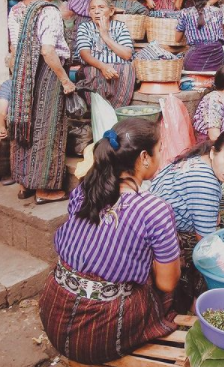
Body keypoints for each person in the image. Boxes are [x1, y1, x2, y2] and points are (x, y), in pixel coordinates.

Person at [39, 118, 181, 365]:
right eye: (160, 150)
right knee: (169, 292)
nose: (161, 155)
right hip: (99, 334)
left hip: (53, 313)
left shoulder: (85, 188)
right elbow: (167, 283)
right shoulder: (155, 209)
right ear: (145, 157)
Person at [149, 130, 224, 312]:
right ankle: (196, 306)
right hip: (163, 242)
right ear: (213, 153)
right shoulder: (205, 181)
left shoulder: (196, 160)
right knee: (208, 259)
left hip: (156, 227)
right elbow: (206, 245)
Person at [9, 0, 75, 204]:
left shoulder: (17, 11)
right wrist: (65, 80)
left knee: (25, 123)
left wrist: (21, 78)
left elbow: (15, 49)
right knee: (48, 127)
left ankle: (25, 182)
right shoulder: (49, 11)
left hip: (25, 74)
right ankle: (45, 190)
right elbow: (48, 50)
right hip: (48, 73)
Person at [76, 0, 135, 108]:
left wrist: (105, 36)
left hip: (118, 69)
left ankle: (116, 112)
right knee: (93, 71)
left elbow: (127, 55)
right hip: (96, 66)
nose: (96, 11)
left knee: (126, 68)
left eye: (101, 7)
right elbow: (84, 54)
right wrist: (103, 67)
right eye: (92, 8)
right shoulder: (85, 27)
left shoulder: (120, 26)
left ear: (111, 11)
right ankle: (99, 111)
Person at [176, 0, 224, 72]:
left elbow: (177, 39)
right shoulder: (218, 12)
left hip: (195, 58)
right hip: (217, 57)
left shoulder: (185, 13)